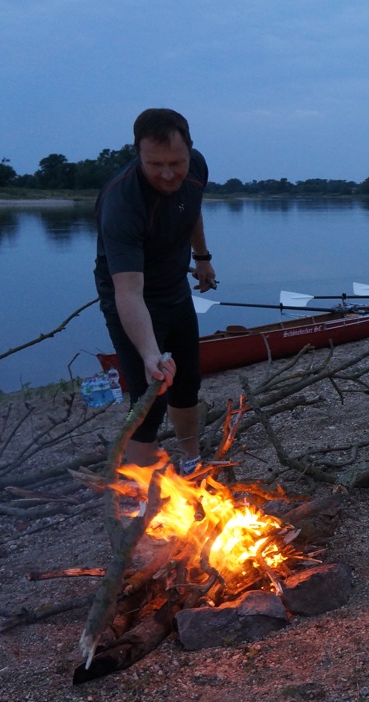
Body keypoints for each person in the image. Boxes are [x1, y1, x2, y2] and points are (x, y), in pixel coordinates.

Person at [93, 108, 217, 471]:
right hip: (131, 299)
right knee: (150, 396)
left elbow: (191, 209)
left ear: (190, 150)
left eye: (176, 163)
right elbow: (128, 292)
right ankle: (142, 484)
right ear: (138, 154)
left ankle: (191, 460)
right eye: (155, 164)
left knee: (188, 382)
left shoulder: (197, 167)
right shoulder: (122, 203)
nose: (167, 174)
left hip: (175, 287)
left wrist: (203, 257)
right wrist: (150, 354)